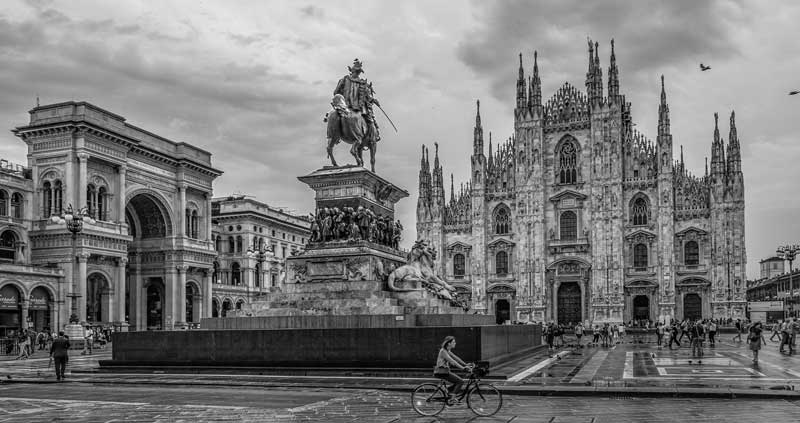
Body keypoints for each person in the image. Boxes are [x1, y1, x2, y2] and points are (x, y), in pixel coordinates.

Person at [433, 336, 473, 402]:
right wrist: (463, 368)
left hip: (445, 371)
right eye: (453, 342)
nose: (455, 343)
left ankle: (446, 390)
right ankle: (453, 398)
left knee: (457, 381)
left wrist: (465, 364)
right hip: (441, 372)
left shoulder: (447, 350)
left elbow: (456, 358)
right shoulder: (443, 351)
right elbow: (452, 361)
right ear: (449, 343)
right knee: (460, 381)